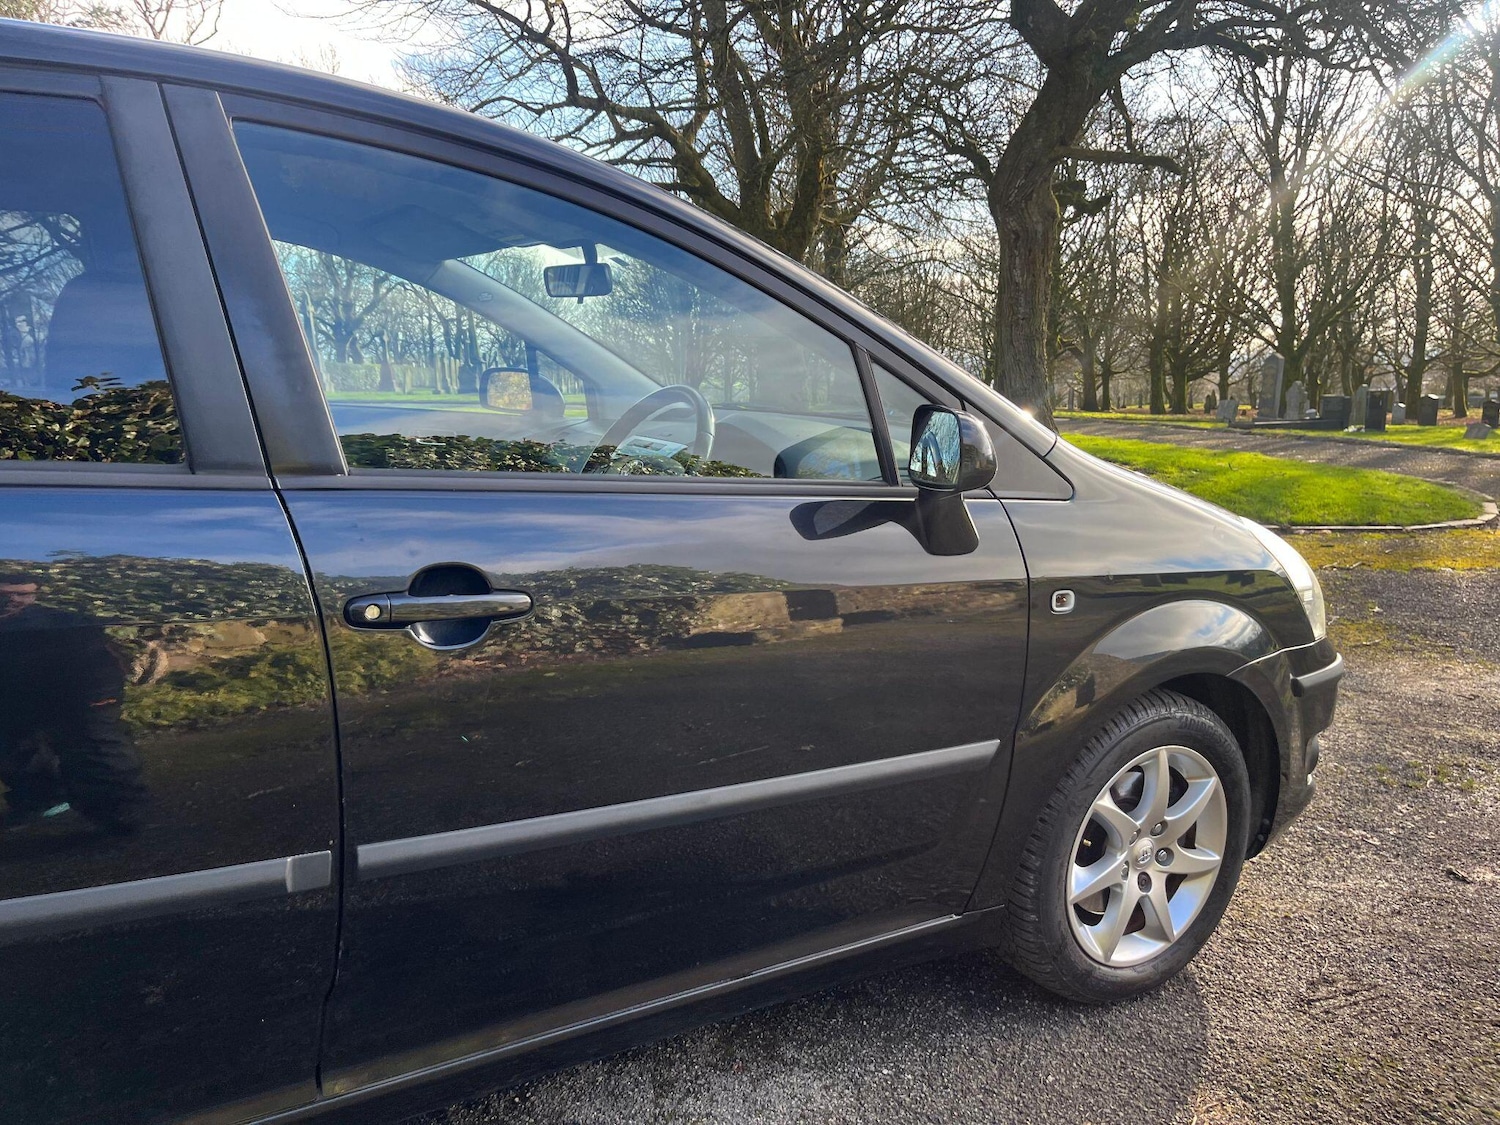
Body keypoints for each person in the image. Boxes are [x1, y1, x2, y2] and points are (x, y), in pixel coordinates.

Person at [0, 569, 148, 834]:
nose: (12, 601)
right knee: (9, 736)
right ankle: (42, 796)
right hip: (18, 684)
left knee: (92, 740)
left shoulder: (63, 622)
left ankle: (121, 814)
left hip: (83, 681)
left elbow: (102, 654)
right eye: (5, 594)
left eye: (21, 594)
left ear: (35, 594)